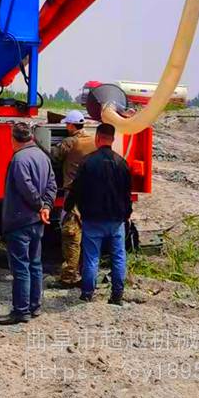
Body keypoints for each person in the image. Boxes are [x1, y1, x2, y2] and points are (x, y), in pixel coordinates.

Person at [65, 122, 132, 306]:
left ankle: (87, 294)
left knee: (91, 257)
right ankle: (117, 295)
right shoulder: (122, 163)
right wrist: (127, 214)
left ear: (97, 138)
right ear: (113, 139)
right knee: (118, 257)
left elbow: (76, 189)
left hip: (93, 219)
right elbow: (127, 194)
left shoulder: (88, 162)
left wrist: (68, 208)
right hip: (116, 220)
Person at [0, 121, 57, 325]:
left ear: (14, 139)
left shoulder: (19, 159)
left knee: (21, 267)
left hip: (20, 219)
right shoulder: (43, 157)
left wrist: (40, 205)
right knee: (35, 265)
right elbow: (51, 184)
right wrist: (47, 206)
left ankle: (21, 311)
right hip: (37, 222)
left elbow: (25, 187)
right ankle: (35, 306)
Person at [50, 110, 96, 287]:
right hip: (92, 195)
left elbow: (54, 155)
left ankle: (69, 276)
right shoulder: (93, 140)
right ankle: (87, 274)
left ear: (70, 125)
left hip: (73, 194)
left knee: (71, 235)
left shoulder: (70, 142)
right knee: (88, 236)